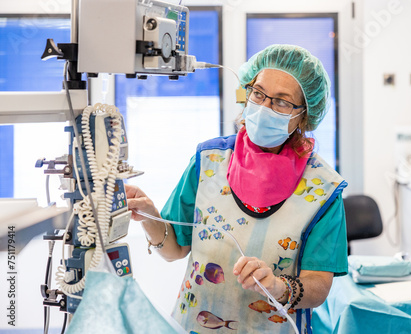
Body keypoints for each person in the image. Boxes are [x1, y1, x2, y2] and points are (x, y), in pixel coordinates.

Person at [125, 44, 348, 333]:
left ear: (303, 116)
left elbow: (319, 285)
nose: (264, 107)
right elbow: (174, 249)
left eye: (282, 102)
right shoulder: (208, 162)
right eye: (258, 93)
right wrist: (149, 215)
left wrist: (278, 287)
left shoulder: (323, 191)